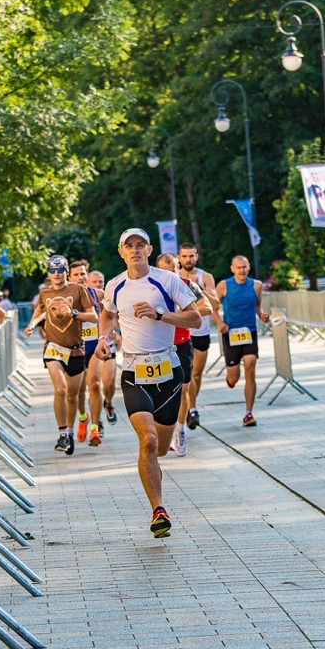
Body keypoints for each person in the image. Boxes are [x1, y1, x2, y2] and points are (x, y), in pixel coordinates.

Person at [95, 228, 201, 538]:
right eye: (129, 245)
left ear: (149, 249)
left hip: (168, 371)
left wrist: (160, 314)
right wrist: (103, 337)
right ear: (121, 252)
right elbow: (107, 315)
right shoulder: (115, 285)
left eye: (140, 244)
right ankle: (159, 510)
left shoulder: (168, 280)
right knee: (149, 441)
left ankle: (156, 482)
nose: (135, 250)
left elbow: (195, 319)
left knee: (162, 448)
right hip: (133, 372)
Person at [24, 255, 98, 455]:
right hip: (53, 347)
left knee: (73, 396)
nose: (56, 274)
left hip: (75, 349)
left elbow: (93, 316)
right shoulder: (45, 292)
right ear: (48, 273)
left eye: (60, 270)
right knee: (61, 389)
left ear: (66, 271)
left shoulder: (79, 290)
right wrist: (32, 324)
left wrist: (74, 313)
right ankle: (62, 433)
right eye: (52, 270)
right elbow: (40, 311)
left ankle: (70, 432)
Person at [157, 252, 208, 456]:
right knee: (160, 391)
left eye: (174, 270)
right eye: (166, 271)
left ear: (178, 268)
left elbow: (207, 307)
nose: (171, 275)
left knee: (183, 389)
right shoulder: (150, 286)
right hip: (158, 344)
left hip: (182, 343)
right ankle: (163, 431)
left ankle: (180, 430)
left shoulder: (187, 284)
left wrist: (179, 315)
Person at [214, 255, 270, 427]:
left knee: (250, 367)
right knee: (234, 377)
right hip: (230, 334)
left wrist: (261, 315)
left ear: (248, 267)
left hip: (249, 332)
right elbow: (212, 307)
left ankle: (248, 413)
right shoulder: (224, 285)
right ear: (232, 269)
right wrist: (220, 323)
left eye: (244, 267)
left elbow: (258, 305)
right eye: (238, 267)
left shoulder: (256, 285)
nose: (242, 270)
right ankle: (230, 379)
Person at [177, 243, 219, 430]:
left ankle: (189, 405)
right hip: (182, 334)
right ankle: (191, 409)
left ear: (197, 257)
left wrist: (200, 288)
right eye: (185, 256)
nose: (188, 260)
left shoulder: (205, 277)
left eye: (191, 256)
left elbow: (215, 305)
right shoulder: (173, 278)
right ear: (179, 258)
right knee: (186, 375)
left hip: (201, 332)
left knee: (196, 374)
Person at [70, 260, 105, 446]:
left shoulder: (98, 294)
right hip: (75, 348)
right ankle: (83, 417)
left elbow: (108, 315)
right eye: (76, 274)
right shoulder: (66, 297)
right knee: (78, 392)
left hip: (94, 346)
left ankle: (95, 429)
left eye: (83, 273)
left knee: (95, 384)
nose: (80, 277)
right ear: (69, 277)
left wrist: (111, 332)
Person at [89, 270, 121, 427]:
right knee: (94, 386)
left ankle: (108, 403)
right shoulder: (82, 298)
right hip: (90, 348)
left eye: (100, 281)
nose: (97, 284)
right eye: (94, 282)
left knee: (108, 383)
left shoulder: (109, 297)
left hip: (109, 346)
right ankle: (96, 422)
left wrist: (118, 332)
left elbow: (116, 318)